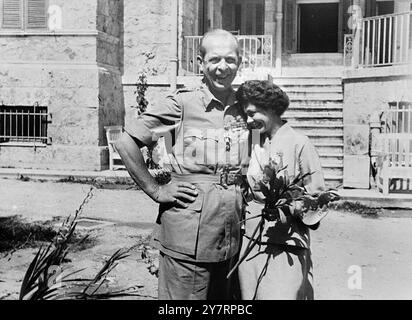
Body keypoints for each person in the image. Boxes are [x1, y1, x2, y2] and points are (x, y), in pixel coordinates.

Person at [115, 29, 249, 300]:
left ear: (240, 62)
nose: (223, 67)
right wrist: (156, 190)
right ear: (201, 63)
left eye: (230, 60)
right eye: (214, 60)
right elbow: (125, 142)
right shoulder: (182, 104)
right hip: (188, 235)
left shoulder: (244, 107)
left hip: (230, 235)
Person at [236, 80, 326, 300]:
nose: (249, 120)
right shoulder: (253, 141)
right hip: (251, 243)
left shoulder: (299, 143)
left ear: (271, 108)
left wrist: (288, 208)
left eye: (252, 113)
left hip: (286, 244)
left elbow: (319, 200)